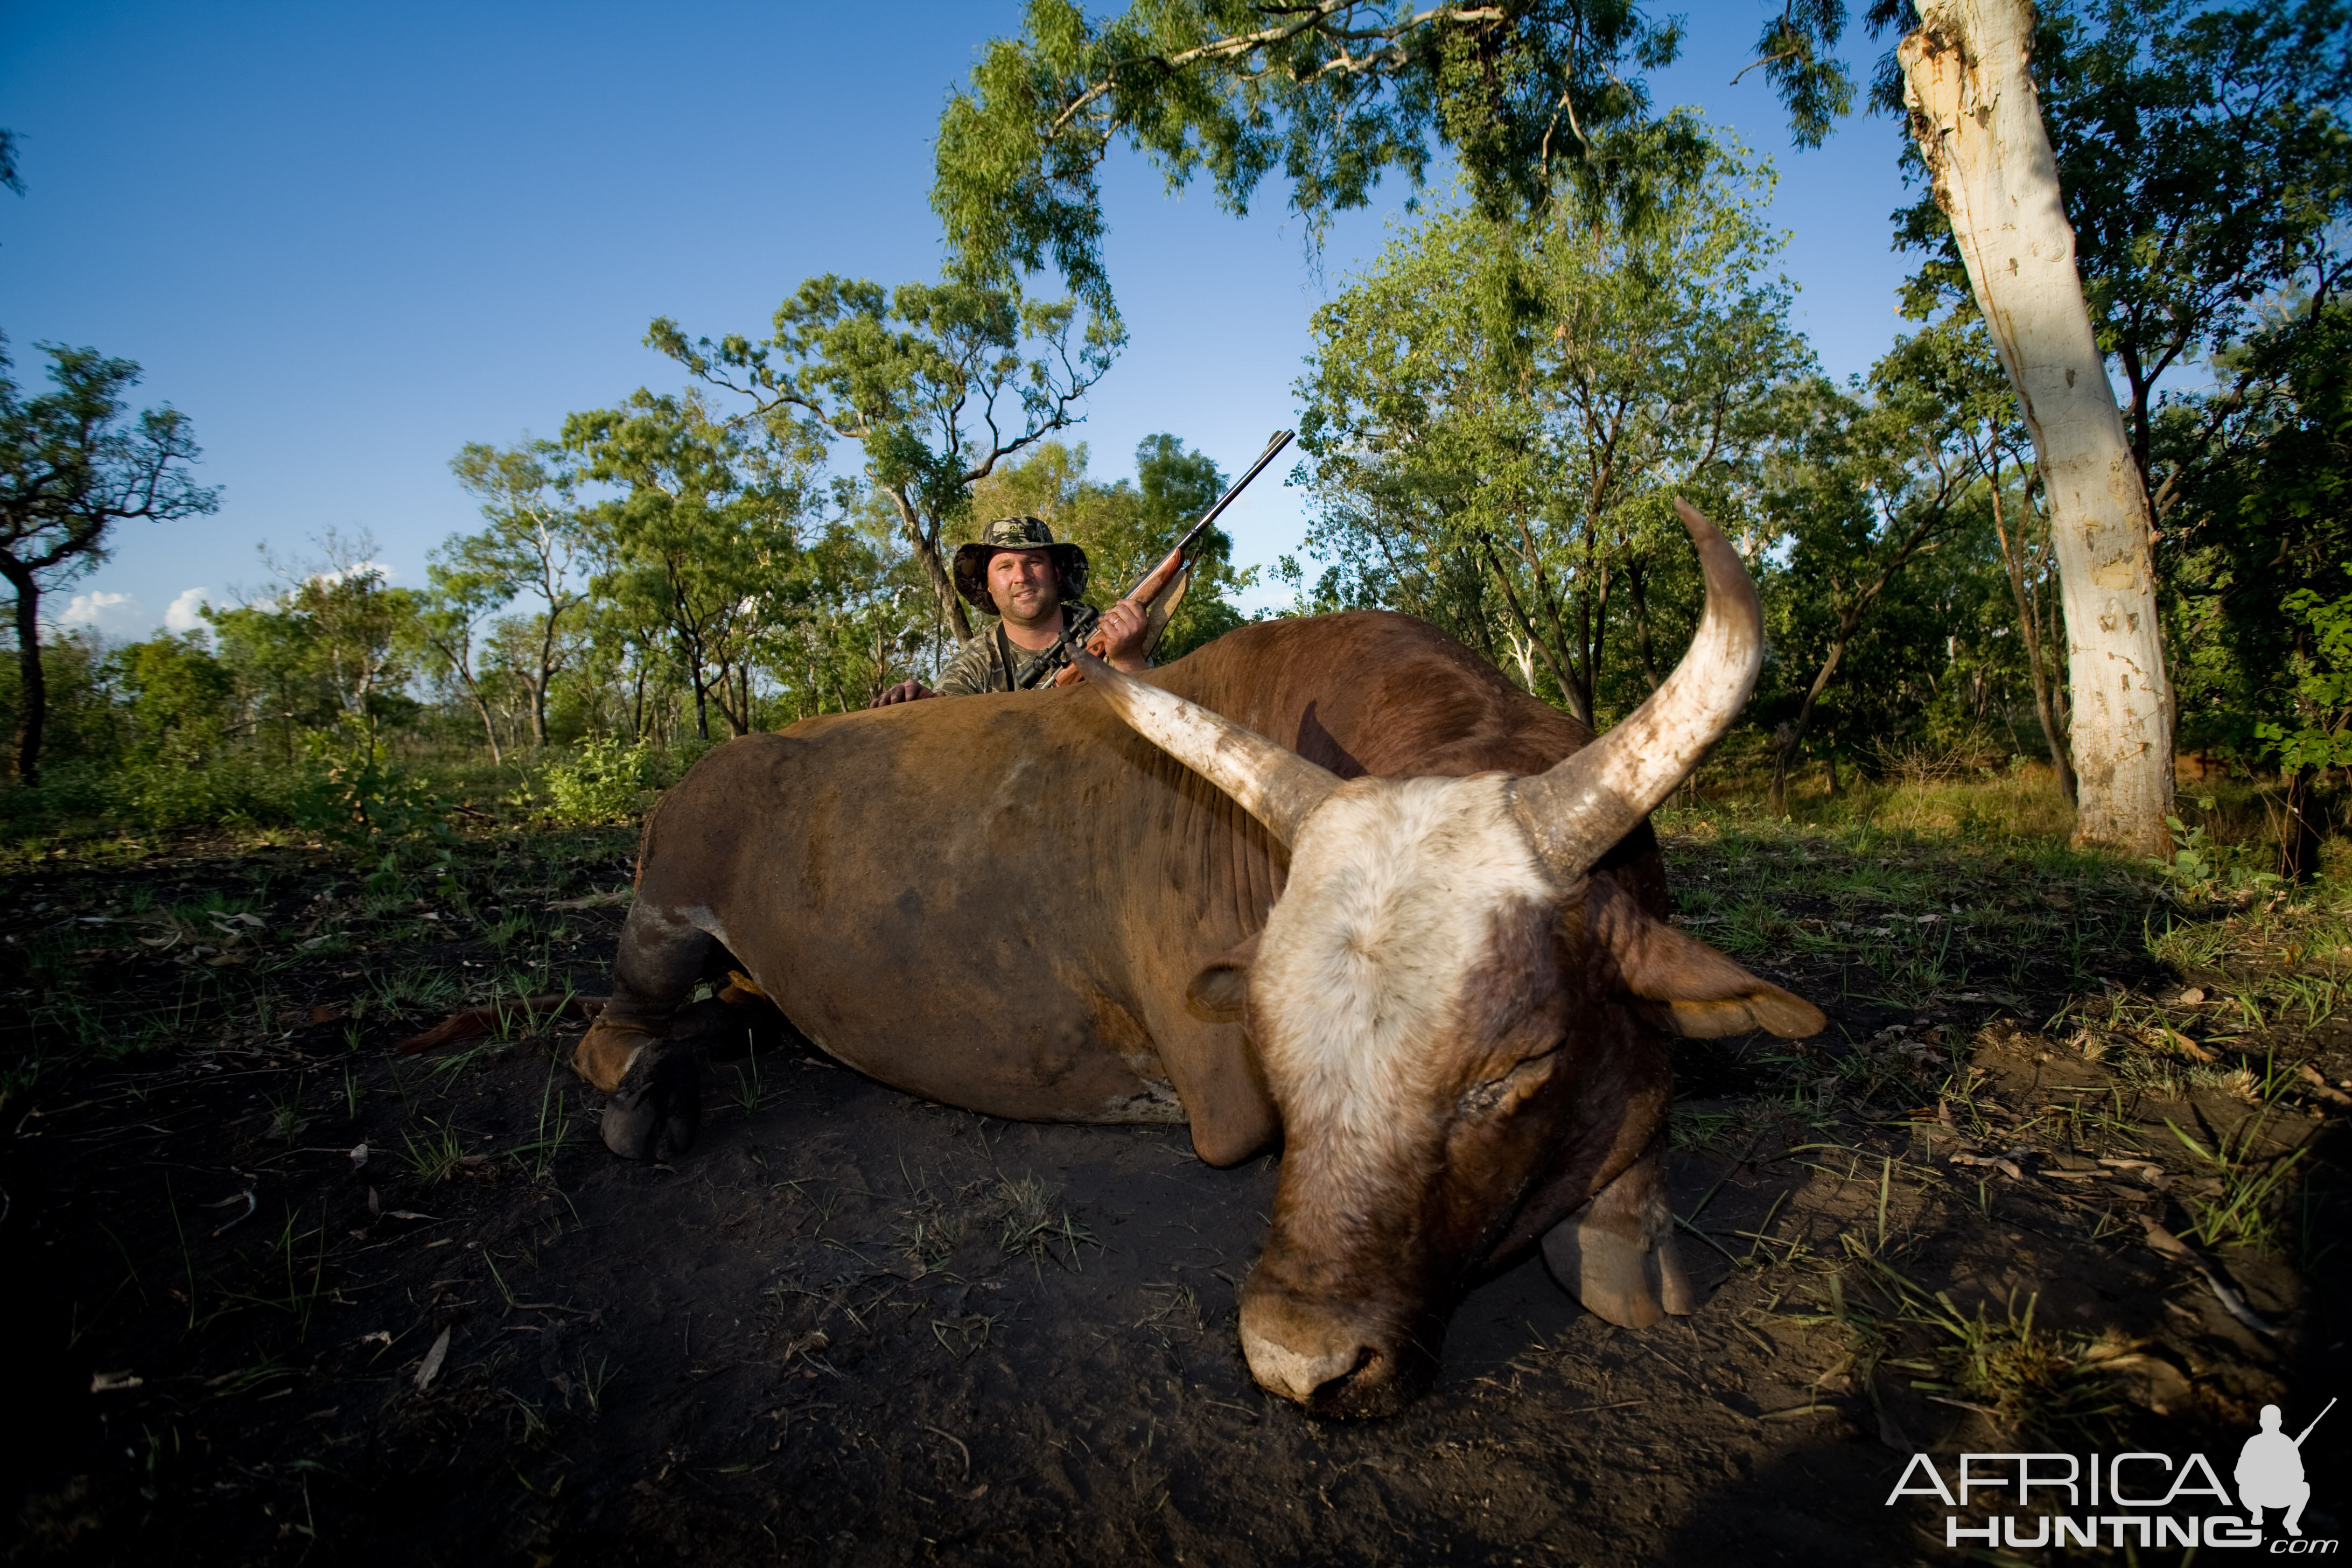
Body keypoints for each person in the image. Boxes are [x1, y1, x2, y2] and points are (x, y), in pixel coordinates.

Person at [873, 516, 1151, 704]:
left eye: (1033, 562)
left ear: (1056, 573)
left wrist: (1128, 659)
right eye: (1005, 566)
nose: (1021, 576)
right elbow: (945, 716)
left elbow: (1155, 719)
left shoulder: (1115, 634)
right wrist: (918, 704)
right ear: (988, 586)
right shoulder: (975, 662)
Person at [2235, 1403, 2312, 1536]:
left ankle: (2290, 1521)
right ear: (2280, 1423)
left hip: (2280, 1495)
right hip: (2259, 1494)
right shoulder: (2256, 1443)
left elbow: (2299, 1476)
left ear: (2261, 1423)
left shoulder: (2286, 1444)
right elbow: (2240, 1475)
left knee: (2304, 1488)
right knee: (2244, 1488)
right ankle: (2257, 1512)